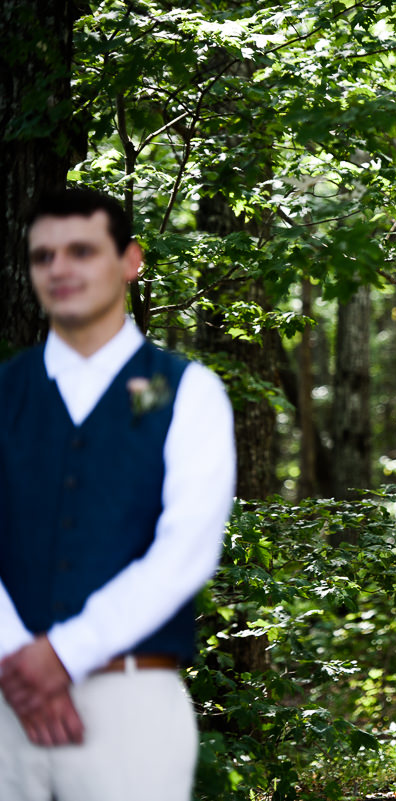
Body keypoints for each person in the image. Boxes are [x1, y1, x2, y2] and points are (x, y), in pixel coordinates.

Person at [0, 188, 236, 800]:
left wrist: (64, 653)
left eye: (81, 250)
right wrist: (16, 658)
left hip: (131, 706)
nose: (60, 269)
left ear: (130, 260)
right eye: (43, 256)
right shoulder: (5, 391)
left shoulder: (187, 391)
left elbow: (185, 550)